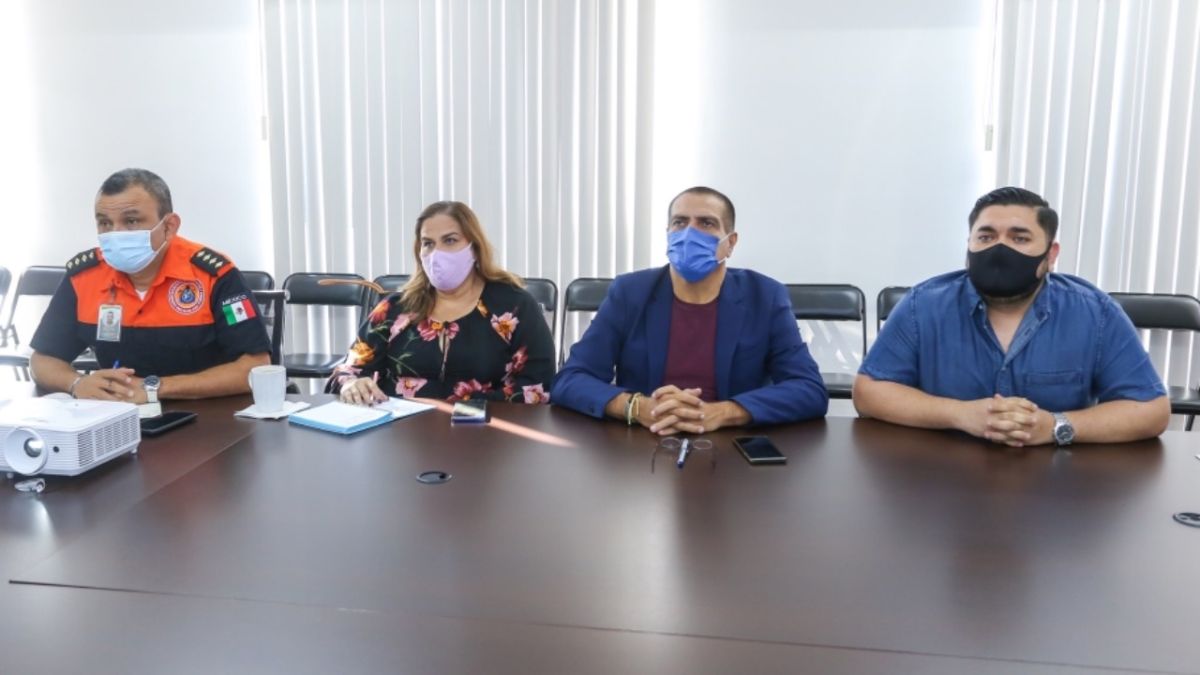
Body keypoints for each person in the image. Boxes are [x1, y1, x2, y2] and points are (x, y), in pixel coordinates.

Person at [854, 186, 1170, 446]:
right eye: (986, 237)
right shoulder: (922, 305)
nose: (999, 249)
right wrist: (960, 414)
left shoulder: (1095, 313)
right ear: (968, 246)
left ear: (1051, 255)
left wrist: (1055, 426)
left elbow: (1151, 410)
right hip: (939, 477)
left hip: (1058, 482)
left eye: (1019, 238)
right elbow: (869, 392)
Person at [552, 186, 828, 434]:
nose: (689, 234)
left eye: (706, 223)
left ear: (730, 243)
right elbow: (571, 379)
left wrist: (723, 412)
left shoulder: (765, 296)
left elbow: (809, 389)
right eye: (680, 223)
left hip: (730, 444)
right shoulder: (630, 292)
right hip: (644, 440)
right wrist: (637, 407)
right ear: (668, 234)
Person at [30, 168, 272, 402]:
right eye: (105, 223)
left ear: (169, 226)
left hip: (207, 413)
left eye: (131, 221)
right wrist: (77, 383)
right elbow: (42, 359)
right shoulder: (84, 277)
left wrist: (154, 388)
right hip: (118, 414)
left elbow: (256, 366)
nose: (116, 233)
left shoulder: (214, 276)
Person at [327, 201, 554, 403]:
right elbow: (348, 370)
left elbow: (538, 387)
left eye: (450, 240)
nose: (437, 253)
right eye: (428, 243)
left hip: (486, 428)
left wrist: (462, 408)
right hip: (401, 429)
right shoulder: (395, 309)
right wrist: (351, 384)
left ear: (474, 248)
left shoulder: (514, 307)